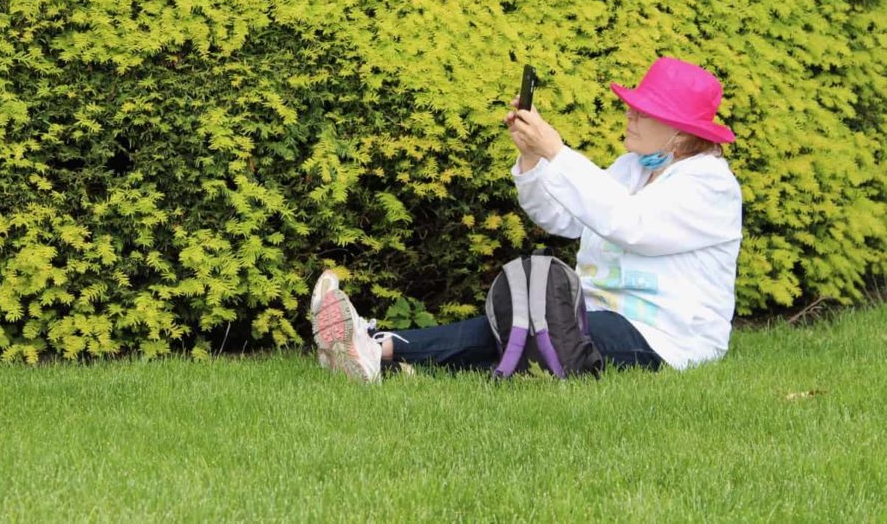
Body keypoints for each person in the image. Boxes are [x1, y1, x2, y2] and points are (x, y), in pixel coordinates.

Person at [310, 57, 743, 382]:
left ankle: (376, 347)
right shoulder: (633, 168)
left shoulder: (710, 186)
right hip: (593, 313)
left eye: (642, 111)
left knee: (537, 328)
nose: (628, 114)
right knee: (525, 326)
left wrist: (557, 150)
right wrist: (533, 156)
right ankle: (378, 348)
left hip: (666, 337)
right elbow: (562, 218)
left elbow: (630, 224)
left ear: (681, 132)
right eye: (632, 106)